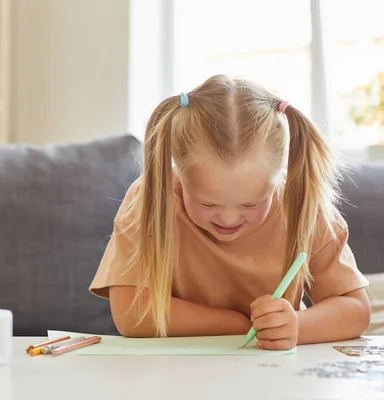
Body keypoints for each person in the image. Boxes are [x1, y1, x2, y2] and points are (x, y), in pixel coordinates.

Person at [89, 75, 370, 350]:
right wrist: (237, 324)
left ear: (277, 176)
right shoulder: (150, 199)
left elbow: (356, 310)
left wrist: (298, 326)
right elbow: (131, 312)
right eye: (207, 204)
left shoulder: (303, 205)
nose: (228, 220)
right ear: (179, 174)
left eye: (251, 204)